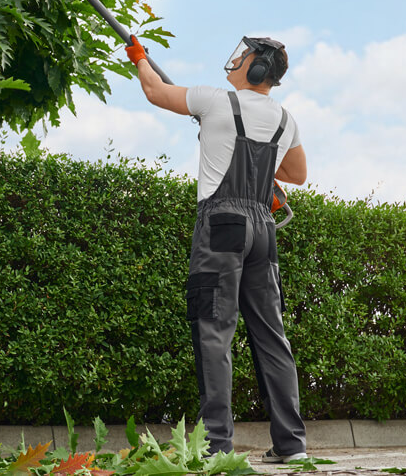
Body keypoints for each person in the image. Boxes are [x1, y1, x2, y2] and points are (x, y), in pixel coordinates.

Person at [126, 34, 308, 462]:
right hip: (263, 229)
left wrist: (139, 56)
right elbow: (297, 173)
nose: (237, 60)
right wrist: (263, 160)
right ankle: (291, 446)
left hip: (222, 225)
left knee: (214, 330)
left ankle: (217, 447)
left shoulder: (215, 101)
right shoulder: (285, 119)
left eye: (244, 56)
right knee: (271, 337)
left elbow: (155, 91)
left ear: (257, 68)